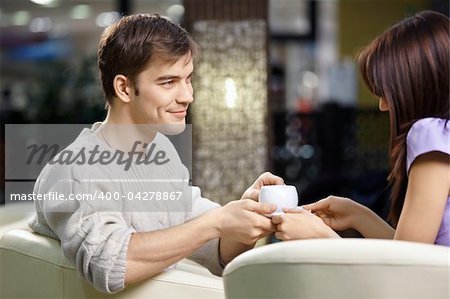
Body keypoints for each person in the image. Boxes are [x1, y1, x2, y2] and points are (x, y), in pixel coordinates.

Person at [29, 14, 283, 293]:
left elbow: (216, 249)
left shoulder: (159, 150)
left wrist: (245, 215)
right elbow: (110, 265)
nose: (187, 96)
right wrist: (216, 223)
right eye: (169, 82)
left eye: (188, 79)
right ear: (124, 88)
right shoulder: (76, 170)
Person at [272, 10, 450, 246]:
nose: (382, 106)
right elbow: (414, 250)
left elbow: (408, 265)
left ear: (419, 86)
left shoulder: (429, 133)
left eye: (388, 92)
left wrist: (322, 237)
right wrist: (357, 215)